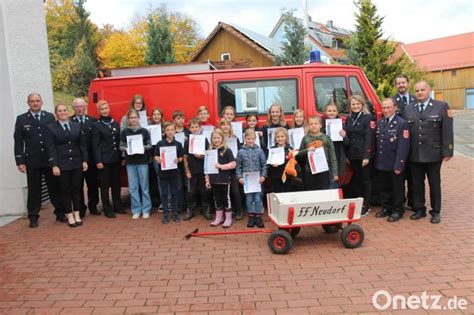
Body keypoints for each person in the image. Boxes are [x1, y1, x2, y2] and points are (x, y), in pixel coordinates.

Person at [402, 81, 454, 224]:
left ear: (428, 90)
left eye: (422, 90)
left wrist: (447, 150)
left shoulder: (441, 106)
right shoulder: (408, 109)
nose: (419, 93)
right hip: (414, 154)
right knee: (417, 184)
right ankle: (419, 209)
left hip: (433, 154)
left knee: (434, 184)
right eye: (417, 90)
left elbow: (447, 129)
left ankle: (436, 211)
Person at [14, 93, 65, 228]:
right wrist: (20, 161)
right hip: (32, 161)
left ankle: (60, 213)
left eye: (37, 101)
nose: (35, 103)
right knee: (34, 189)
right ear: (28, 103)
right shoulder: (21, 119)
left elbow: (56, 137)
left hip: (49, 160)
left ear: (41, 102)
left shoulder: (49, 117)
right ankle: (33, 216)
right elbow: (18, 142)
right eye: (32, 101)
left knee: (54, 187)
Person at [45, 104, 88, 228]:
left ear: (68, 112)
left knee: (76, 189)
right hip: (62, 164)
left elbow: (82, 145)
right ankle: (69, 214)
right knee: (65, 190)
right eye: (60, 111)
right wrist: (54, 165)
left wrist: (84, 160)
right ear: (56, 114)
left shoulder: (76, 125)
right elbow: (50, 148)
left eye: (64, 110)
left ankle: (77, 213)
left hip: (76, 163)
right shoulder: (51, 128)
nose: (63, 112)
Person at [374, 98, 410, 222]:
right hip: (382, 161)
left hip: (394, 162)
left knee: (397, 188)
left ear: (395, 108)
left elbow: (403, 147)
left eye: (388, 107)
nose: (386, 110)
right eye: (384, 108)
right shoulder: (380, 122)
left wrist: (399, 164)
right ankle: (386, 207)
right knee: (384, 188)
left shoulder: (401, 123)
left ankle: (398, 210)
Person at [91, 100, 124, 219]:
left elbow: (119, 141)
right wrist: (98, 161)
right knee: (105, 186)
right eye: (102, 109)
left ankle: (118, 205)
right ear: (99, 111)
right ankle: (107, 208)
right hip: (104, 160)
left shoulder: (114, 123)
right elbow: (96, 145)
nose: (105, 110)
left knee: (116, 184)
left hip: (115, 158)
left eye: (106, 108)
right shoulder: (97, 125)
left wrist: (121, 157)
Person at [345, 94, 375, 216]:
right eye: (353, 104)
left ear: (362, 104)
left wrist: (366, 156)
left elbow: (369, 137)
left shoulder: (368, 118)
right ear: (350, 106)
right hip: (353, 154)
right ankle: (358, 202)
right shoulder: (349, 119)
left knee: (365, 180)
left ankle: (366, 204)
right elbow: (348, 137)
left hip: (363, 155)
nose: (355, 106)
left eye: (358, 104)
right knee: (356, 179)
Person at [120, 109, 152, 219]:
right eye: (131, 118)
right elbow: (121, 146)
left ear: (139, 118)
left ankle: (146, 209)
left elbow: (150, 145)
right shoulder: (125, 132)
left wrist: (141, 147)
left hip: (142, 161)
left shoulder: (144, 131)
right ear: (128, 119)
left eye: (135, 117)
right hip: (130, 162)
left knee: (144, 186)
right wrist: (127, 148)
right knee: (133, 187)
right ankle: (136, 210)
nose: (133, 119)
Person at [70, 97, 100, 217]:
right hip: (76, 159)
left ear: (85, 107)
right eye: (76, 106)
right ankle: (80, 208)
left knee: (92, 184)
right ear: (73, 108)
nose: (79, 109)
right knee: (77, 186)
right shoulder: (69, 121)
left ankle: (93, 206)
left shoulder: (93, 120)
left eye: (81, 106)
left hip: (91, 159)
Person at [393, 74, 416, 211]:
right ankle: (400, 201)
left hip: (414, 143)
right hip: (399, 144)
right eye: (398, 83)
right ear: (395, 86)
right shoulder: (392, 101)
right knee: (399, 176)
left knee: (414, 176)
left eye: (403, 82)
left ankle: (413, 202)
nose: (401, 85)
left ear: (408, 83)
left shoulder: (415, 99)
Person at [236, 129, 267, 228]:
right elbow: (238, 166)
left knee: (258, 199)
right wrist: (239, 177)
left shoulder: (259, 150)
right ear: (245, 139)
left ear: (255, 139)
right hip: (247, 181)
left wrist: (263, 175)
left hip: (258, 180)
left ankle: (258, 217)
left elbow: (264, 165)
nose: (250, 140)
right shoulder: (240, 152)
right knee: (249, 199)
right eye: (248, 138)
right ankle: (251, 217)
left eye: (252, 139)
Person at [205, 129, 236, 228]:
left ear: (222, 138)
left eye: (218, 138)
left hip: (224, 180)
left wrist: (221, 166)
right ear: (211, 139)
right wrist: (207, 180)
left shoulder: (227, 150)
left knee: (226, 199)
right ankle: (219, 218)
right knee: (217, 199)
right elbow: (206, 168)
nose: (216, 140)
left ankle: (228, 218)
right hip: (214, 181)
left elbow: (233, 164)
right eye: (214, 138)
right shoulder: (209, 152)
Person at [154, 122, 184, 224]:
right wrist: (158, 159)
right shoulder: (160, 143)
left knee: (175, 193)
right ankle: (165, 215)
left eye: (172, 130)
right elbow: (156, 155)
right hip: (163, 173)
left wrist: (178, 160)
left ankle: (175, 214)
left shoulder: (178, 144)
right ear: (164, 131)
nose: (170, 132)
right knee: (164, 194)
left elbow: (181, 157)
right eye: (168, 130)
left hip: (174, 173)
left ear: (175, 130)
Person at [298, 115, 338, 190]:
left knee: (323, 191)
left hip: (324, 170)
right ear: (308, 126)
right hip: (309, 170)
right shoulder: (305, 138)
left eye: (316, 124)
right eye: (311, 124)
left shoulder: (326, 138)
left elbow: (332, 156)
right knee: (311, 192)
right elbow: (299, 154)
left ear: (320, 125)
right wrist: (307, 150)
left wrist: (335, 173)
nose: (313, 126)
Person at [183, 118, 212, 221]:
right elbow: (185, 157)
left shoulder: (204, 139)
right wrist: (187, 171)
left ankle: (206, 209)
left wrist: (201, 156)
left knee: (204, 191)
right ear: (189, 128)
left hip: (203, 170)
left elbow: (208, 154)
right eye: (192, 127)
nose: (194, 129)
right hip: (192, 171)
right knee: (191, 192)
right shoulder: (187, 142)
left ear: (200, 128)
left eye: (196, 127)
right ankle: (190, 210)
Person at [218, 119, 243, 220]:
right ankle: (228, 210)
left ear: (230, 127)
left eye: (227, 125)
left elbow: (239, 152)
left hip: (233, 169)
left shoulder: (235, 138)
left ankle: (239, 211)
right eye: (223, 125)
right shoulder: (217, 138)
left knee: (235, 191)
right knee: (224, 192)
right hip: (221, 169)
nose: (225, 127)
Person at [322, 102, 349, 189]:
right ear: (325, 112)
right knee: (325, 179)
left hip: (337, 155)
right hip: (325, 156)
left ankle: (333, 199)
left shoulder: (341, 124)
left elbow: (347, 143)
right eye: (329, 111)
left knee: (335, 179)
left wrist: (344, 136)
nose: (331, 112)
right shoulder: (321, 124)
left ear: (337, 112)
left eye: (334, 111)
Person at [269, 128, 295, 193]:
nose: (280, 139)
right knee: (277, 192)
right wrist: (272, 164)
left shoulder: (290, 149)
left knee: (287, 192)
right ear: (275, 138)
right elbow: (269, 162)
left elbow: (293, 162)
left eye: (282, 136)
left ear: (286, 137)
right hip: (276, 175)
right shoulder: (272, 149)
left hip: (287, 175)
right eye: (278, 137)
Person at [172, 110, 188, 213]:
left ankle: (188, 205)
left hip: (187, 161)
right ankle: (180, 205)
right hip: (176, 161)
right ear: (174, 120)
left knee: (187, 184)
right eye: (178, 118)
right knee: (178, 185)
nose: (181, 120)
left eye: (182, 118)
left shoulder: (187, 132)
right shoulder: (172, 132)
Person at [149, 108, 164, 209]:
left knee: (169, 179)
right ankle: (163, 202)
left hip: (167, 156)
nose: (156, 116)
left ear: (161, 116)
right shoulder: (149, 129)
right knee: (159, 179)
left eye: (158, 114)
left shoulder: (166, 127)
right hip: (156, 157)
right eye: (154, 114)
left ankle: (171, 200)